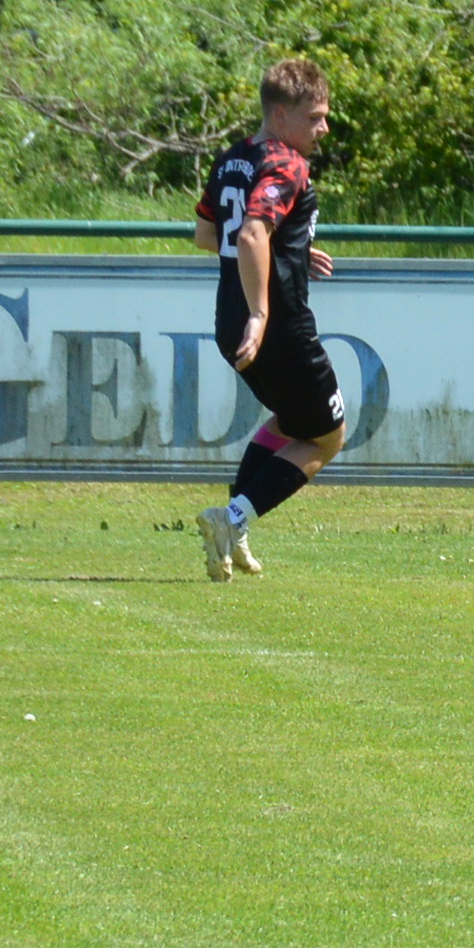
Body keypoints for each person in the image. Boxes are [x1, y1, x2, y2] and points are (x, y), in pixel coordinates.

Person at [198, 56, 348, 580]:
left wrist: (291, 250)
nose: (323, 128)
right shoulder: (287, 162)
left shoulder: (231, 160)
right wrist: (261, 314)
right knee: (327, 436)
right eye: (315, 117)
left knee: (289, 423)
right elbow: (250, 233)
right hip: (278, 329)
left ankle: (233, 530)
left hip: (228, 323)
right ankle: (233, 518)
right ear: (281, 115)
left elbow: (207, 234)